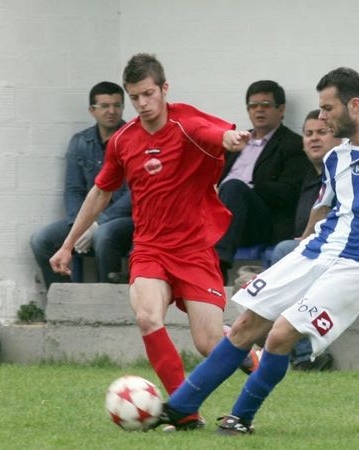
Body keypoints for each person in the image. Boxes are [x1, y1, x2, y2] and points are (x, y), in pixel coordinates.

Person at [155, 67, 359, 433]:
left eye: (327, 108)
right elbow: (322, 209)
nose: (321, 117)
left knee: (280, 334)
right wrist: (295, 254)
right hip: (316, 253)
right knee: (244, 325)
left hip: (358, 264)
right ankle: (180, 409)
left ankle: (241, 418)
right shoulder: (336, 159)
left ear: (354, 105)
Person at [49, 53, 253, 426]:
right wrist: (67, 244)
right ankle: (185, 413)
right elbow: (100, 192)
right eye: (135, 97)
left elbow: (215, 134)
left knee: (209, 345)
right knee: (147, 318)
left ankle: (239, 349)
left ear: (164, 89)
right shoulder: (123, 141)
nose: (142, 104)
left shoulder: (186, 123)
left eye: (148, 94)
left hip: (194, 250)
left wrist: (230, 137)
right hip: (150, 248)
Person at [30, 81, 133, 288]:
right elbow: (73, 189)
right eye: (104, 106)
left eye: (117, 105)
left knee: (104, 236)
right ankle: (64, 301)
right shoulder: (80, 142)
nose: (112, 111)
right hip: (88, 217)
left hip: (127, 220)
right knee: (41, 240)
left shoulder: (134, 138)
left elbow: (135, 194)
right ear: (92, 110)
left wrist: (97, 223)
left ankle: (108, 304)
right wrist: (81, 225)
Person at [269, 109, 342, 371]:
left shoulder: (345, 172)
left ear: (338, 138)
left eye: (322, 133)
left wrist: (304, 241)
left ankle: (305, 354)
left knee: (283, 253)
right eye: (308, 134)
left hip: (348, 255)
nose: (313, 139)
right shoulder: (309, 176)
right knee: (277, 258)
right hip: (318, 253)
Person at [216, 80, 309, 283]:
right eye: (253, 105)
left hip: (261, 219)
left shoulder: (292, 145)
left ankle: (218, 264)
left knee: (233, 186)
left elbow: (289, 192)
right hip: (224, 211)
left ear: (281, 109)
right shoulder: (238, 141)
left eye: (265, 104)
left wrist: (251, 186)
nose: (259, 110)